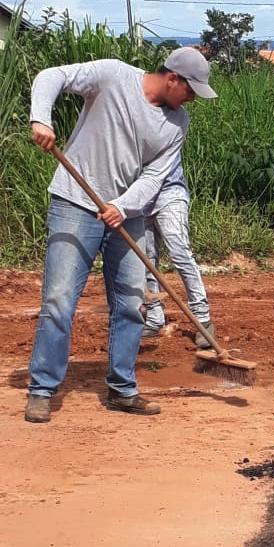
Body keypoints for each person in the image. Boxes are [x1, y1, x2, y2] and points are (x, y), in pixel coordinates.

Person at [25, 47, 217, 423]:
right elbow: (52, 76)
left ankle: (122, 389)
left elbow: (154, 177)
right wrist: (41, 120)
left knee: (132, 303)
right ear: (172, 78)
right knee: (60, 299)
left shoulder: (178, 124)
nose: (192, 98)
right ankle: (42, 389)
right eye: (190, 90)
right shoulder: (113, 75)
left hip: (126, 214)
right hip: (74, 202)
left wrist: (123, 206)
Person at [141, 155, 215, 348]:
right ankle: (154, 316)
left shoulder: (166, 125)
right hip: (139, 198)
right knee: (145, 259)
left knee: (180, 252)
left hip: (169, 192)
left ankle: (202, 318)